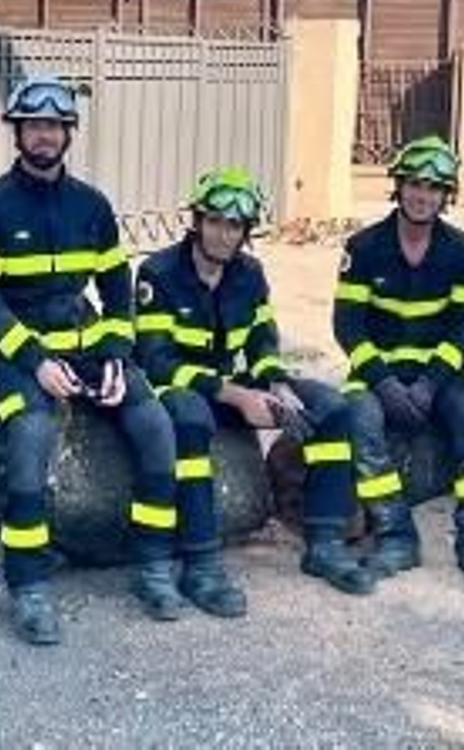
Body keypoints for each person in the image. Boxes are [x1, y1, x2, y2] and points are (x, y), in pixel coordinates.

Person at [0, 75, 181, 646]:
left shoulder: (92, 205)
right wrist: (33, 359)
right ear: (18, 133)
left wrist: (114, 353)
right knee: (30, 435)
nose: (44, 137)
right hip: (17, 355)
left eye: (54, 127)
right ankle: (28, 584)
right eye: (34, 126)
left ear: (68, 134)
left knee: (154, 424)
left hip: (86, 345)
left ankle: (154, 564)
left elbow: (116, 285)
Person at [137, 167, 375, 605]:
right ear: (197, 221)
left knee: (331, 408)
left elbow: (263, 338)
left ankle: (324, 542)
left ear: (245, 231)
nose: (223, 235)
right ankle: (201, 566)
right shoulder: (158, 272)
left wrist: (276, 383)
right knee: (189, 420)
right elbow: (156, 361)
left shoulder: (250, 273)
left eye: (234, 226)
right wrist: (238, 396)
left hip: (234, 385)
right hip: (182, 387)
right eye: (214, 222)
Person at [332, 136, 464, 594]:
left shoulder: (462, 250)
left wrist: (430, 384)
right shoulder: (363, 247)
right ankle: (395, 536)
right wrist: (385, 384)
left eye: (434, 187)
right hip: (377, 375)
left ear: (447, 196)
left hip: (441, 377)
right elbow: (347, 325)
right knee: (360, 416)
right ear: (398, 187)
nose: (422, 195)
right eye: (413, 183)